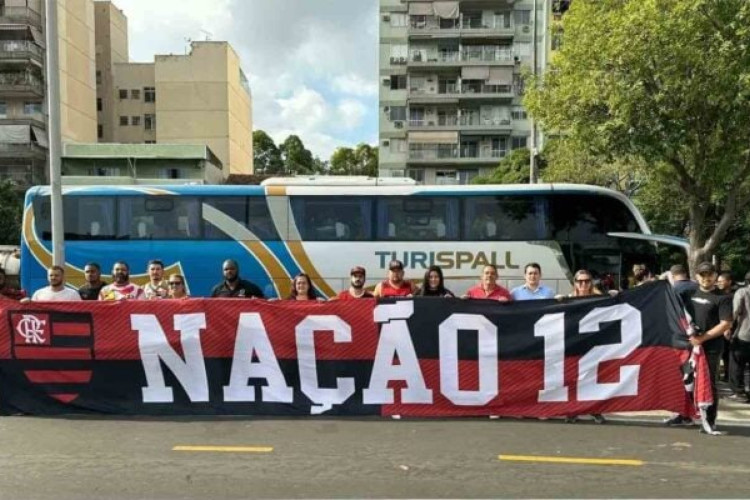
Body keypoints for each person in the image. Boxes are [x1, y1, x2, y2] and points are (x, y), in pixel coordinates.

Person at [666, 262, 732, 435]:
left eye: (710, 274)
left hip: (710, 348)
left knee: (708, 384)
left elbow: (726, 324)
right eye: (702, 274)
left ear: (715, 276)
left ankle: (709, 421)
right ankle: (684, 415)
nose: (706, 278)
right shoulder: (690, 293)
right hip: (689, 346)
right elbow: (677, 311)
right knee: (685, 382)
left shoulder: (723, 297)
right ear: (696, 276)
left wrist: (703, 337)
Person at [557, 269, 606, 424]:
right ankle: (572, 410)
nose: (583, 284)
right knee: (572, 378)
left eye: (586, 281)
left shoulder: (598, 298)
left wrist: (613, 295)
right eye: (580, 281)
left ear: (591, 283)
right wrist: (556, 300)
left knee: (593, 378)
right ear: (575, 283)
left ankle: (594, 409)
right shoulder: (568, 299)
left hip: (592, 344)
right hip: (572, 344)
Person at [728, 271, 750, 403]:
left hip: (743, 333)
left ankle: (738, 392)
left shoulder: (742, 292)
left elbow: (735, 312)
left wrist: (728, 328)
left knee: (736, 364)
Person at [716, 271, 736, 381]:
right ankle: (719, 374)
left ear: (729, 282)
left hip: (731, 327)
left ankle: (728, 375)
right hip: (718, 327)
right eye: (717, 281)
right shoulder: (717, 294)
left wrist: (728, 327)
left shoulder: (734, 294)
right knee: (721, 352)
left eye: (720, 281)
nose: (718, 283)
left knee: (728, 353)